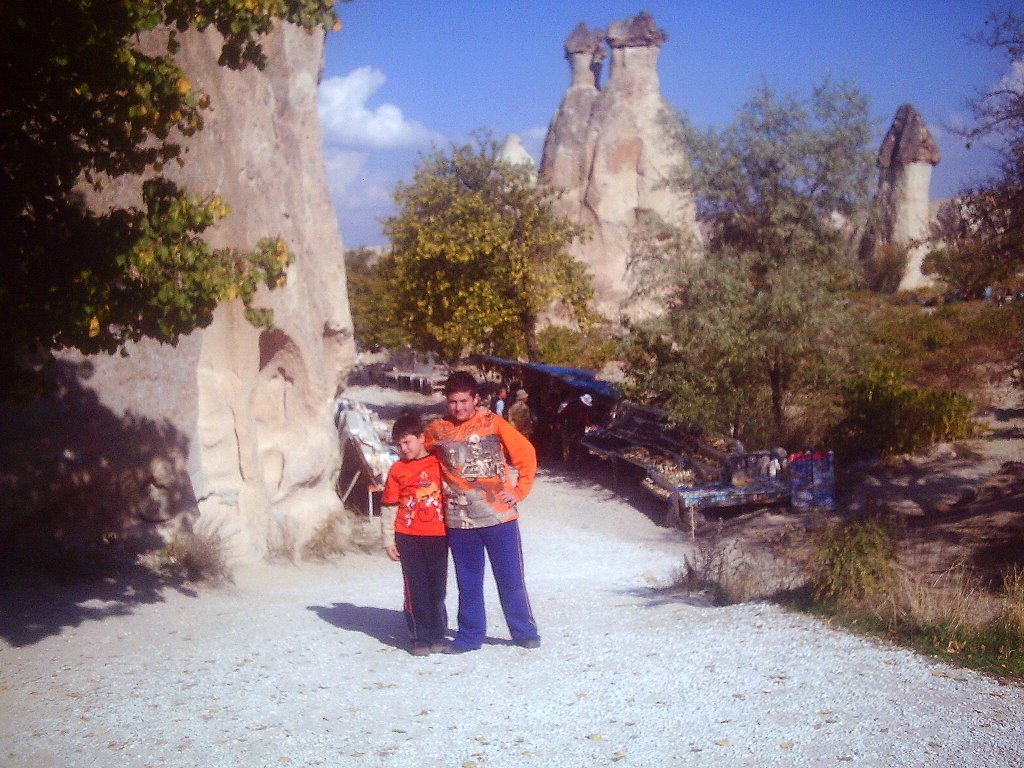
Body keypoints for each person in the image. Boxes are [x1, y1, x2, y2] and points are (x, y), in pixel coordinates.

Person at [425, 370, 541, 653]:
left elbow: (526, 455)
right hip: (459, 521)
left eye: (464, 401)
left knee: (510, 578)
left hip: (499, 517)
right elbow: (419, 458)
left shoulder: (494, 423)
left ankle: (523, 631)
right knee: (468, 582)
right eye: (453, 402)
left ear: (476, 399)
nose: (459, 407)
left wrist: (518, 491)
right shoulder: (437, 431)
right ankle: (470, 636)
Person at [380, 410, 449, 656]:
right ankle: (420, 636)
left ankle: (438, 633)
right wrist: (388, 539)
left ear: (421, 438)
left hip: (438, 535)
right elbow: (389, 506)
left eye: (407, 442)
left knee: (437, 588)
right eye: (398, 444)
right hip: (408, 536)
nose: (403, 448)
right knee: (415, 588)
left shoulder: (439, 462)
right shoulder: (398, 469)